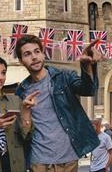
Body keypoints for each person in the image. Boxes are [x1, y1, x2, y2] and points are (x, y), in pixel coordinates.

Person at [15, 35, 102, 172]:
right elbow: (24, 133)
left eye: (37, 51)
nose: (34, 57)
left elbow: (88, 90)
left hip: (68, 161)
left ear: (43, 54)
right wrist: (25, 111)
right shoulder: (22, 91)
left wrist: (87, 66)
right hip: (39, 162)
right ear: (21, 61)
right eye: (27, 54)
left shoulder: (64, 76)